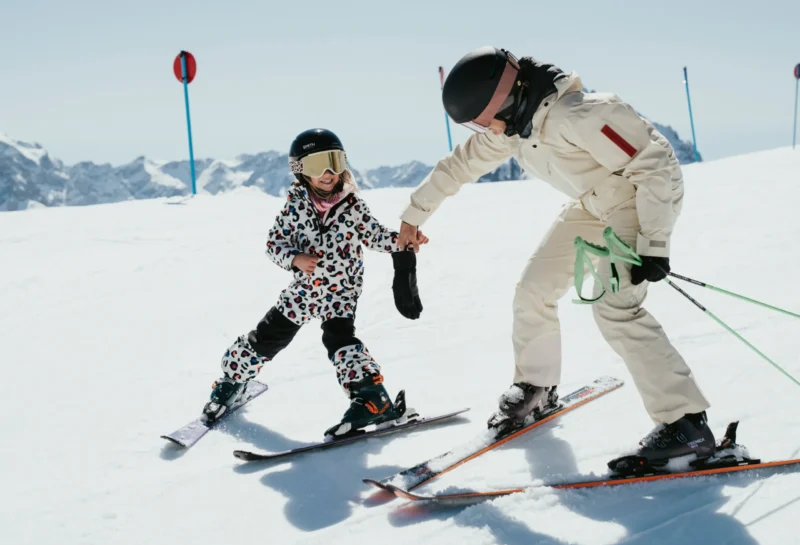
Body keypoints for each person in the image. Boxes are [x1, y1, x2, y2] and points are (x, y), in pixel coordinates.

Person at [397, 46, 714, 463]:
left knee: (616, 308)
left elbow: (653, 165)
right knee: (533, 290)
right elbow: (459, 165)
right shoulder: (514, 129)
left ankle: (687, 424)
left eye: (479, 119)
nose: (482, 129)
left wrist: (654, 241)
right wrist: (411, 219)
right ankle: (536, 387)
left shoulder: (577, 114)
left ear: (503, 99)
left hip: (638, 200)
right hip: (593, 203)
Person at [203, 128, 427, 438]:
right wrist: (294, 259)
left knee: (340, 342)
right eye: (317, 165)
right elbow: (274, 244)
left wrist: (402, 240)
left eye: (335, 162)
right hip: (304, 292)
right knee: (267, 338)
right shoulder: (294, 207)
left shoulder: (353, 206)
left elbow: (375, 235)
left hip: (341, 292)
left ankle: (373, 400)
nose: (328, 173)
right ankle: (231, 382)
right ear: (300, 170)